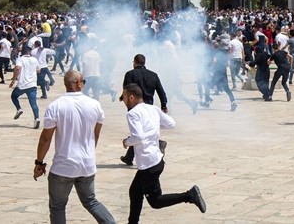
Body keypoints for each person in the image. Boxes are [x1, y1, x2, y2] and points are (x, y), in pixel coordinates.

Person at [34, 70, 115, 224]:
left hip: (63, 166)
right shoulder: (95, 105)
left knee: (57, 207)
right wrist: (89, 152)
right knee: (91, 201)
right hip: (87, 164)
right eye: (83, 82)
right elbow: (95, 135)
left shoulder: (56, 106)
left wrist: (39, 162)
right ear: (78, 83)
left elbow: (46, 138)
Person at [120, 83, 207, 223]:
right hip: (155, 160)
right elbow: (171, 123)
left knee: (155, 202)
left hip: (148, 164)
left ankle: (189, 195)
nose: (123, 101)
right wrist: (152, 126)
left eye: (123, 98)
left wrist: (126, 142)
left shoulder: (132, 114)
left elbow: (137, 137)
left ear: (131, 97)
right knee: (135, 191)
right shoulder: (153, 108)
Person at [120, 54, 168, 166]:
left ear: (135, 62)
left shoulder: (130, 74)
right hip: (149, 107)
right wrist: (164, 105)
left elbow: (126, 89)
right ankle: (128, 157)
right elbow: (161, 91)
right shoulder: (153, 75)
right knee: (142, 131)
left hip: (135, 107)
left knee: (138, 132)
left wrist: (123, 99)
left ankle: (159, 143)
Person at [11, 45, 42, 129]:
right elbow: (39, 70)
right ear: (29, 52)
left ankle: (19, 109)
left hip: (22, 84)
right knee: (33, 103)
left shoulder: (20, 59)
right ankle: (37, 118)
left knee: (14, 96)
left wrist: (13, 80)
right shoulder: (34, 59)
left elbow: (17, 68)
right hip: (32, 85)